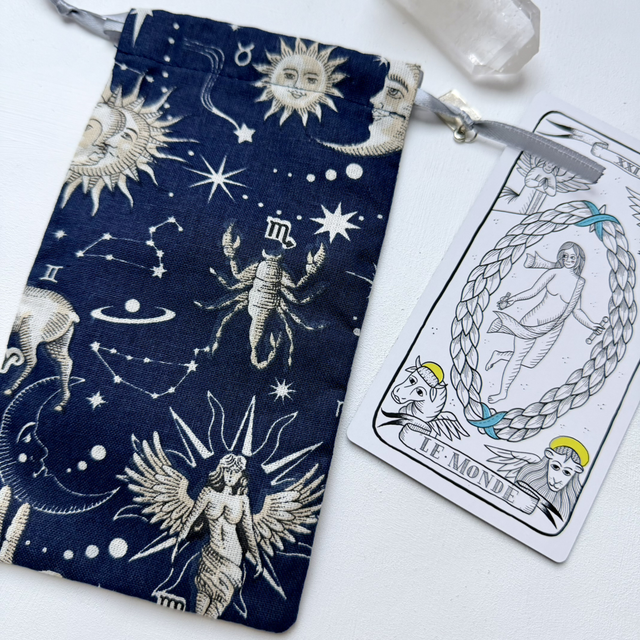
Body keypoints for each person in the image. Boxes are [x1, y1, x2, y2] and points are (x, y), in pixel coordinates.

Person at [485, 242, 604, 403]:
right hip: (532, 321)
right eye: (565, 256)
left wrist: (591, 325)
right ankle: (502, 393)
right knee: (518, 357)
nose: (569, 260)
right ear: (560, 257)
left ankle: (499, 355)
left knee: (530, 362)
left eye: (573, 257)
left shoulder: (579, 282)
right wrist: (513, 299)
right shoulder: (553, 273)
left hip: (554, 327)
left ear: (578, 259)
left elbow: (576, 310)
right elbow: (532, 291)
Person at [178, 454, 262, 619]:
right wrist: (178, 541)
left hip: (232, 561)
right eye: (227, 470)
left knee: (218, 604)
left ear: (241, 475)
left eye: (235, 472)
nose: (230, 475)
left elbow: (248, 532)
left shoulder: (243, 500)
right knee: (201, 599)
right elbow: (191, 518)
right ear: (221, 471)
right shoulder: (208, 493)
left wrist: (258, 558)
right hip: (211, 555)